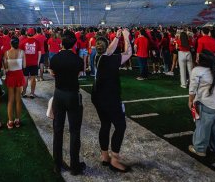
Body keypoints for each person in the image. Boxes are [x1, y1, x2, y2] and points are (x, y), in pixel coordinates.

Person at [92, 28, 133, 173]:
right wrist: (126, 37)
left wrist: (117, 37)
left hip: (97, 96)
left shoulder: (98, 57)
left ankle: (104, 156)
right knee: (120, 126)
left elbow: (108, 50)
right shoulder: (110, 59)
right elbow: (128, 53)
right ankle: (115, 159)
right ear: (107, 46)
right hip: (110, 97)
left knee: (105, 124)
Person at [49, 31, 86, 176]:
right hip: (72, 95)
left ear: (61, 43)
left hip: (59, 94)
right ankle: (75, 166)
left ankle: (57, 165)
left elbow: (52, 73)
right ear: (74, 44)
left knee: (57, 130)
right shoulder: (77, 60)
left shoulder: (55, 58)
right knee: (74, 131)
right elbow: (77, 75)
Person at [188, 50, 215, 158]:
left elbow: (192, 89)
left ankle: (199, 148)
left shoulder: (197, 70)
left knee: (202, 127)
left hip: (206, 103)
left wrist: (190, 101)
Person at [3, 37, 26, 129]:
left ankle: (10, 121)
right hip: (19, 75)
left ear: (10, 44)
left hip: (11, 76)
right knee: (18, 99)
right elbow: (24, 65)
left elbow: (5, 67)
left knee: (10, 100)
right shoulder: (22, 52)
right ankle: (17, 120)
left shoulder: (6, 53)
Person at [20, 28, 41, 98]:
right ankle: (32, 93)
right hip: (34, 63)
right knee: (33, 78)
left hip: (25, 63)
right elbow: (39, 53)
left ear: (27, 33)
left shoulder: (23, 41)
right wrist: (38, 62)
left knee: (25, 78)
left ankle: (24, 92)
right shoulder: (37, 42)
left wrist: (22, 62)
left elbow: (21, 53)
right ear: (34, 33)